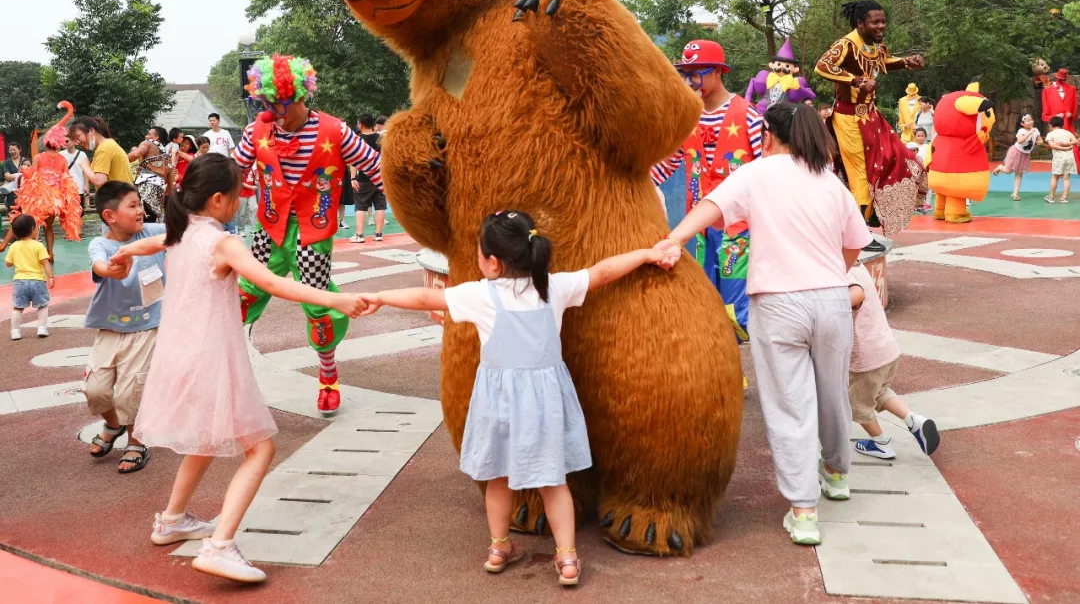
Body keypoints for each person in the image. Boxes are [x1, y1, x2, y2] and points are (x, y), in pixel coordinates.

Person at [358, 210, 668, 586]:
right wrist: (647, 255)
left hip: (499, 403)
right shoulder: (552, 287)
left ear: (491, 262)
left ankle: (498, 547)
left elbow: (426, 297)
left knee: (498, 478)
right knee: (554, 481)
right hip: (545, 403)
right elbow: (603, 272)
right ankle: (567, 559)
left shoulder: (481, 295)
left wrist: (380, 296)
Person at [111, 154, 365, 583]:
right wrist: (336, 299)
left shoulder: (182, 231)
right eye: (237, 196)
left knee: (206, 440)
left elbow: (147, 244)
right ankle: (220, 545)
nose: (241, 201)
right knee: (260, 448)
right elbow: (270, 282)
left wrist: (124, 251)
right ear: (216, 200)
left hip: (178, 357)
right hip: (211, 358)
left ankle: (172, 520)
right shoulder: (222, 242)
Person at [655, 102, 873, 547]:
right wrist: (831, 274)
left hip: (778, 302)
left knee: (789, 404)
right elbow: (854, 245)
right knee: (832, 392)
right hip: (831, 299)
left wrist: (672, 240)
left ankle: (804, 511)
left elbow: (711, 208)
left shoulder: (756, 173)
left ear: (768, 136)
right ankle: (837, 473)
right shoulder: (829, 181)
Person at [234, 55, 382, 413]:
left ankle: (328, 375)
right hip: (268, 229)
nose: (274, 112)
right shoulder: (257, 130)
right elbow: (231, 172)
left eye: (281, 104)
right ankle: (228, 375)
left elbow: (377, 169)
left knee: (317, 303)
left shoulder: (336, 131)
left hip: (312, 231)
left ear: (302, 95)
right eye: (266, 104)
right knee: (243, 297)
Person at [651, 40, 762, 340]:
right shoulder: (688, 117)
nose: (689, 81)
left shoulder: (749, 116)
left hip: (739, 230)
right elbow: (666, 163)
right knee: (706, 299)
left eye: (695, 73)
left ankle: (750, 370)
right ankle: (724, 371)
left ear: (717, 72)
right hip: (698, 229)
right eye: (684, 73)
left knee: (738, 307)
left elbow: (768, 172)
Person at [815, 0, 927, 250]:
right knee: (860, 174)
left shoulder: (873, 47)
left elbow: (882, 61)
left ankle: (870, 213)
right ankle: (859, 233)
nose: (881, 26)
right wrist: (854, 81)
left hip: (871, 116)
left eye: (883, 21)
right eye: (875, 22)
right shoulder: (846, 44)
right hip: (848, 118)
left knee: (896, 157)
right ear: (860, 23)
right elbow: (822, 65)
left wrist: (907, 62)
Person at [82, 181, 165, 474]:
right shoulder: (101, 244)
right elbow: (100, 266)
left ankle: (137, 441)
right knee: (96, 390)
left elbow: (180, 232)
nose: (141, 209)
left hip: (147, 326)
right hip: (110, 327)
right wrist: (112, 269)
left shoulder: (153, 233)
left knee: (132, 390)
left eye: (139, 203)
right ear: (110, 216)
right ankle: (113, 425)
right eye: (132, 205)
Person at [847, 262, 940, 460]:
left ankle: (881, 443)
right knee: (879, 390)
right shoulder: (858, 265)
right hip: (886, 349)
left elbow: (856, 294)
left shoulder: (843, 271)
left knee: (856, 403)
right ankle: (914, 421)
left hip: (866, 358)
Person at [0, 102, 83, 259]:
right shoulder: (62, 160)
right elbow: (67, 181)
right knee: (49, 228)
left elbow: (30, 174)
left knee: (21, 219)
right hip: (55, 201)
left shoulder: (39, 157)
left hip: (39, 199)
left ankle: (4, 245)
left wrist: (23, 170)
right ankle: (50, 253)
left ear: (47, 142)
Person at [5, 214, 54, 340]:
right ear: (33, 230)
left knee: (18, 307)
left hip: (20, 282)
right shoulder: (38, 246)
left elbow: (8, 263)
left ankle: (15, 331)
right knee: (42, 305)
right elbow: (45, 262)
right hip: (37, 281)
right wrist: (51, 277)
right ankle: (42, 327)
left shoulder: (14, 246)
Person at [745, 37, 816, 114]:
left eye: (787, 66)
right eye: (779, 64)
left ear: (795, 69)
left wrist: (799, 88)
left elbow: (812, 96)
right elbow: (753, 81)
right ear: (772, 65)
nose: (782, 67)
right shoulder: (768, 78)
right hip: (763, 110)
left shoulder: (793, 82)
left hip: (784, 114)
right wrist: (746, 103)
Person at [70, 116, 134, 188]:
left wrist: (84, 165)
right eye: (74, 139)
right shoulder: (107, 144)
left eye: (77, 136)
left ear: (91, 131)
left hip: (118, 198)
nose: (77, 142)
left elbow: (99, 181)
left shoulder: (104, 149)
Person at [350, 113, 386, 243]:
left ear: (360, 124)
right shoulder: (380, 139)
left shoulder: (358, 140)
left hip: (364, 177)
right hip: (380, 176)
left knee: (360, 206)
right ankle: (378, 233)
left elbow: (354, 160)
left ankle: (360, 235)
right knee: (380, 205)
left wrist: (353, 178)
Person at [993, 115, 1043, 201]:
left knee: (1019, 174)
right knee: (1008, 171)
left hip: (1025, 155)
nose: (1031, 122)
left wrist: (1040, 142)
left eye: (1031, 120)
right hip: (1016, 152)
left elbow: (1040, 140)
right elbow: (1019, 141)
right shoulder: (1021, 131)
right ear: (1022, 123)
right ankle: (1000, 167)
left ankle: (1015, 194)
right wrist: (1029, 133)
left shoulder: (1036, 130)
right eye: (1028, 120)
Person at [129, 126, 170, 222]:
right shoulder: (166, 155)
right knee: (151, 220)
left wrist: (120, 159)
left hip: (145, 185)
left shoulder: (147, 143)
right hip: (159, 187)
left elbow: (135, 154)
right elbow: (170, 184)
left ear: (156, 137)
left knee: (140, 219)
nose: (146, 136)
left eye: (149, 134)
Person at [1045, 116, 1078, 204]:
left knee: (1055, 177)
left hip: (1059, 159)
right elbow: (1076, 141)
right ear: (1062, 125)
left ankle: (1051, 197)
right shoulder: (1067, 132)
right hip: (1069, 158)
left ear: (1050, 125)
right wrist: (1067, 144)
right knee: (1066, 178)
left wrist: (1062, 147)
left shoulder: (1050, 134)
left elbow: (1052, 145)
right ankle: (1064, 197)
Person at [60, 136, 88, 211]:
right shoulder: (60, 155)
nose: (65, 143)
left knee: (79, 212)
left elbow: (85, 171)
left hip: (79, 187)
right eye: (63, 141)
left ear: (73, 141)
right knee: (66, 213)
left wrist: (86, 185)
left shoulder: (82, 155)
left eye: (67, 141)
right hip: (65, 188)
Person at [909, 128, 933, 213]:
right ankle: (917, 204)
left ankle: (927, 204)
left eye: (922, 136)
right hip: (915, 171)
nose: (920, 138)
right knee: (916, 187)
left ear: (925, 137)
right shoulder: (912, 146)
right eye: (918, 136)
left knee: (928, 186)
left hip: (926, 170)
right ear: (915, 137)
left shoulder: (928, 147)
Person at [2, 142, 23, 211]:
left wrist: (13, 176)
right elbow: (7, 176)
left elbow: (30, 175)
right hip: (11, 195)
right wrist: (20, 175)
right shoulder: (6, 163)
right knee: (13, 215)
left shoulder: (25, 161)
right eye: (10, 150)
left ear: (19, 150)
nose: (12, 152)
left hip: (24, 194)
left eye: (14, 149)